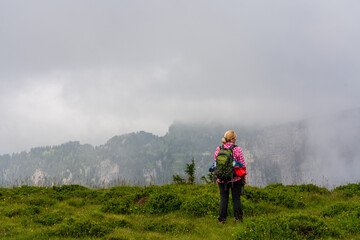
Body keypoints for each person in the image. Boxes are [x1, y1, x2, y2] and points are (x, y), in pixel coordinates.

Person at [214, 130, 247, 225]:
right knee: (236, 199)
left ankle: (221, 220)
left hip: (221, 179)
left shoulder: (218, 149)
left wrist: (217, 178)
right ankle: (238, 220)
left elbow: (216, 164)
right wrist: (244, 177)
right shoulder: (237, 149)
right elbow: (242, 165)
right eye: (235, 138)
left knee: (223, 199)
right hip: (235, 178)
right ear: (232, 139)